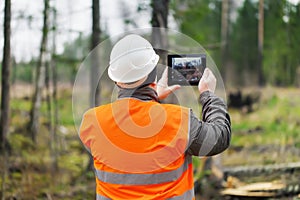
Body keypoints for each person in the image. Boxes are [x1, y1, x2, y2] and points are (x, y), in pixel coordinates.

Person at [79, 34, 231, 200]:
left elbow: (133, 132)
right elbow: (219, 137)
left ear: (116, 80)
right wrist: (208, 95)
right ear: (153, 74)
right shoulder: (179, 120)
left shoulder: (92, 122)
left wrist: (150, 97)